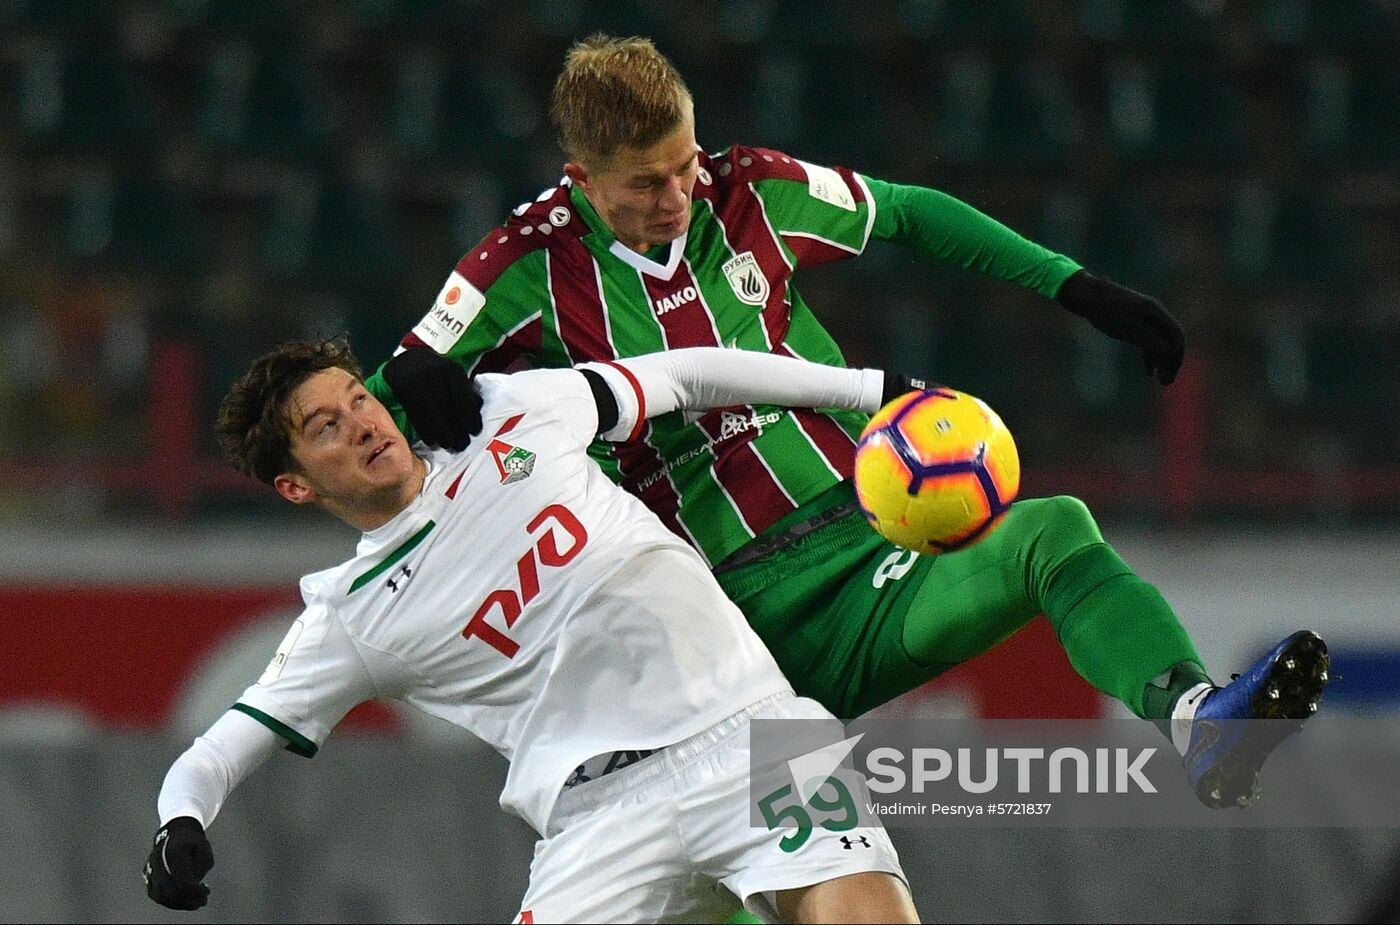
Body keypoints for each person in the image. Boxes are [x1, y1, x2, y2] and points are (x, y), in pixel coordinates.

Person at [367, 34, 1329, 810]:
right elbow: (376, 399)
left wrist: (1077, 287)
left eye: (683, 167)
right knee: (738, 882)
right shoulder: (520, 264)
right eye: (642, 185)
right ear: (581, 176)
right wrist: (410, 381)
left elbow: (908, 212)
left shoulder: (747, 190)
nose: (675, 197)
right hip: (713, 632)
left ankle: (1199, 719)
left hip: (866, 557)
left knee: (1054, 529)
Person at [143, 338, 920, 924]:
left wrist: (872, 389)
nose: (361, 423)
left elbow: (683, 374)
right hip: (599, 820)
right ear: (295, 483)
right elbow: (219, 749)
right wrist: (180, 820)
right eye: (325, 426)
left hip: (753, 731)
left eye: (358, 399)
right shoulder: (352, 614)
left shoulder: (508, 414)